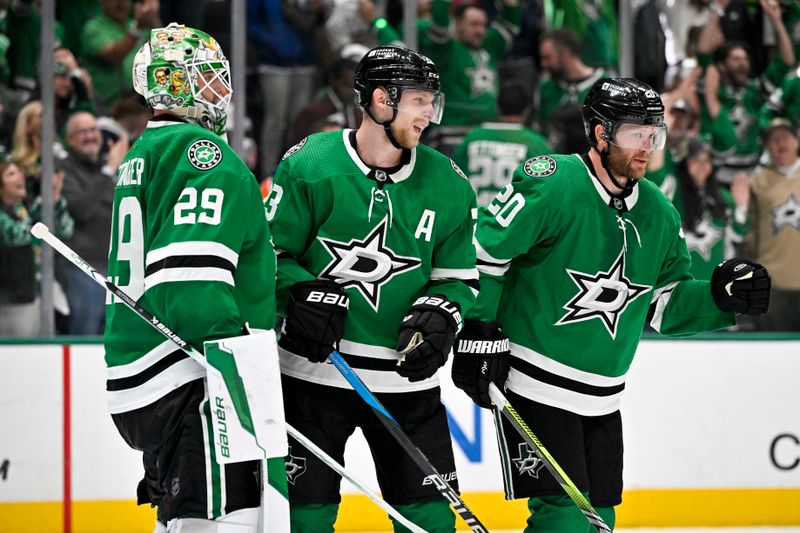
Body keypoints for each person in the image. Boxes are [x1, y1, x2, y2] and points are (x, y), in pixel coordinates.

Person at [451, 77, 771, 532]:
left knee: (600, 517)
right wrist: (479, 328)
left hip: (604, 395)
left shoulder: (659, 211)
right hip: (534, 381)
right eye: (634, 134)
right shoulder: (553, 182)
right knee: (562, 519)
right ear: (600, 134)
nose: (646, 146)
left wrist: (720, 299)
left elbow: (665, 305)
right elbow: (485, 253)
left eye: (653, 134)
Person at [265, 44, 478, 532]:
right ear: (382, 101)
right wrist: (299, 295)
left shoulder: (448, 183)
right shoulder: (311, 164)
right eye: (420, 100)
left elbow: (460, 279)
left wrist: (443, 312)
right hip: (312, 380)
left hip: (406, 386)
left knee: (429, 523)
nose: (430, 114)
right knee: (305, 521)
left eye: (432, 101)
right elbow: (269, 258)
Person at [104, 23, 285, 531]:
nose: (220, 91)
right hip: (195, 376)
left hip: (143, 372)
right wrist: (242, 374)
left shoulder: (145, 152)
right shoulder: (204, 158)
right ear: (173, 83)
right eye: (206, 77)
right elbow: (190, 289)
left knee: (181, 520)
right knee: (226, 522)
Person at [58, 111, 128, 335]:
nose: (89, 136)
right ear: (69, 139)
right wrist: (109, 171)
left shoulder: (104, 168)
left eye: (93, 130)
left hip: (114, 267)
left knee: (111, 335)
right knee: (85, 333)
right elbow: (81, 209)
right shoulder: (63, 168)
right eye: (82, 132)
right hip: (82, 267)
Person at [0, 162, 73, 336]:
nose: (20, 177)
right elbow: (18, 236)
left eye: (19, 172)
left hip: (46, 292)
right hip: (15, 299)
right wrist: (44, 203)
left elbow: (65, 229)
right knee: (21, 351)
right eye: (11, 174)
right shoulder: (4, 214)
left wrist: (54, 199)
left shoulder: (29, 207)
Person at [453, 80, 550, 204]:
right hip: (512, 220)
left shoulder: (472, 138)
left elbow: (455, 180)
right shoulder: (536, 144)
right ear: (527, 110)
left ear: (496, 107)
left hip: (473, 218)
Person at [744, 117, 800, 331]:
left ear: (796, 141)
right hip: (772, 285)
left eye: (785, 137)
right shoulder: (757, 181)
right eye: (774, 139)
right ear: (768, 147)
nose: (781, 143)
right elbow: (748, 231)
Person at [673, 138, 750, 281]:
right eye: (695, 160)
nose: (702, 166)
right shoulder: (674, 196)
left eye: (706, 160)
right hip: (682, 283)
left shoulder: (723, 196)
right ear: (685, 163)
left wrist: (741, 206)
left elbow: (737, 236)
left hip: (716, 281)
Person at [81, 0, 161, 112]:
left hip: (140, 105)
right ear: (102, 2)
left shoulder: (133, 24)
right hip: (108, 109)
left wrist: (152, 17)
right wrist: (138, 29)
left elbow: (162, 49)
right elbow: (114, 57)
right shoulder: (94, 28)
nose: (120, 3)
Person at [533, 28, 611, 137]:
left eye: (548, 58)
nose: (543, 64)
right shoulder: (546, 88)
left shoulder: (606, 86)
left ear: (565, 54)